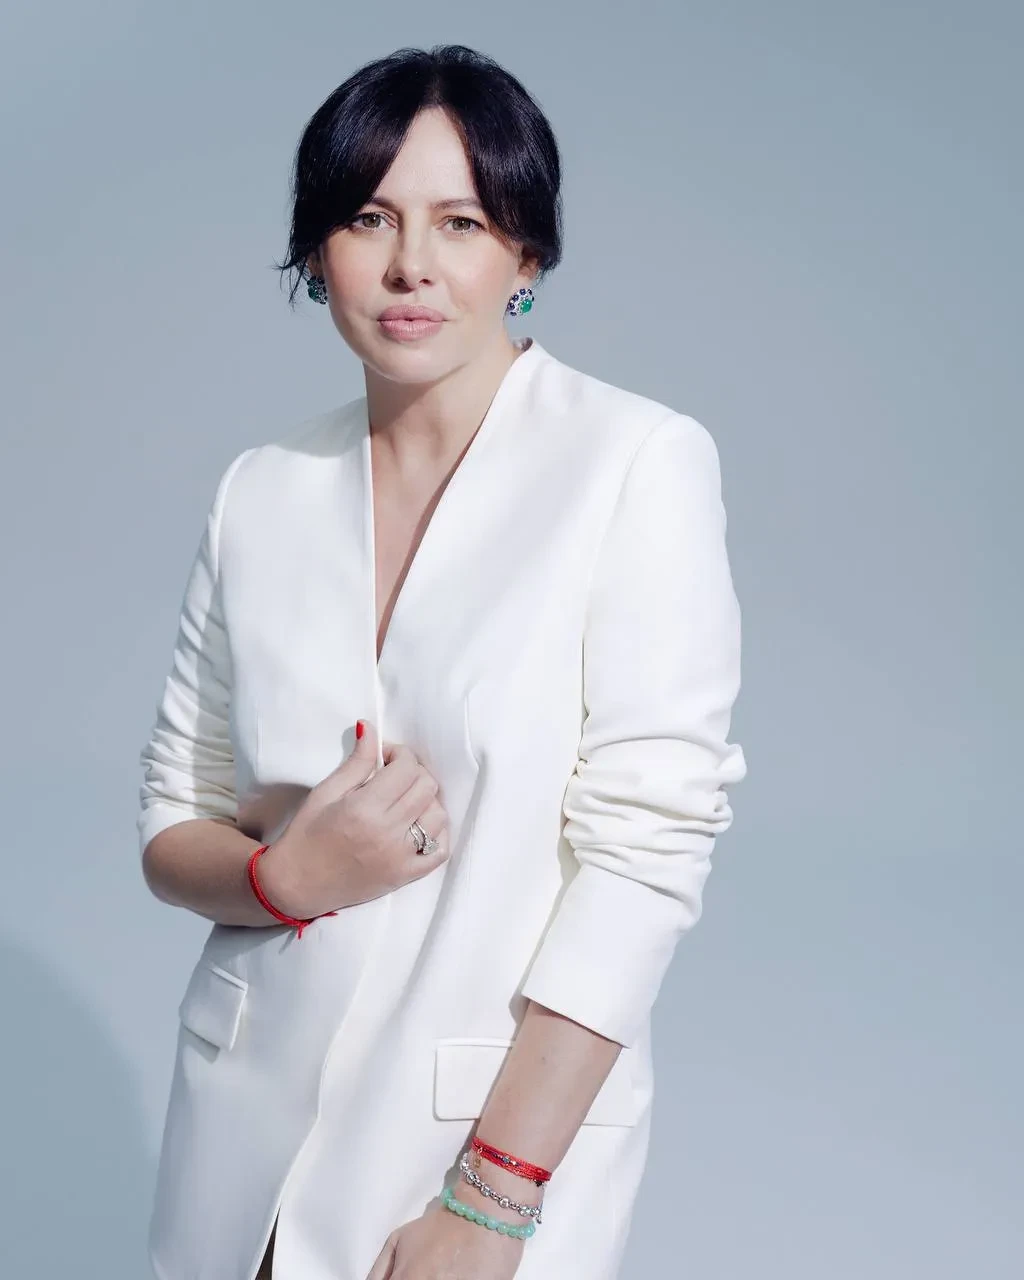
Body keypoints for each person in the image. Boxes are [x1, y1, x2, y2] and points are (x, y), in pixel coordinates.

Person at [136, 42, 748, 1280]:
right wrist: (286, 876)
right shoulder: (262, 489)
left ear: (526, 256)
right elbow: (171, 822)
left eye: (460, 222)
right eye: (369, 218)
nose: (410, 263)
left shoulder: (634, 464)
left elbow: (643, 860)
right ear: (318, 252)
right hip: (236, 1144)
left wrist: (494, 1197)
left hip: (474, 1145)